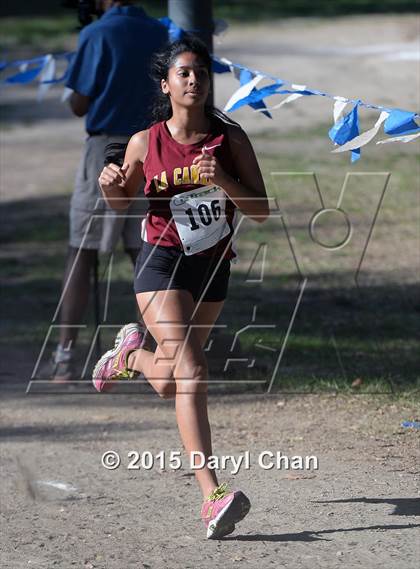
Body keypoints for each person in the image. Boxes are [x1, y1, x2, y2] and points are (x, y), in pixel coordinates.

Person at [92, 37, 269, 539]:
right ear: (166, 83)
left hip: (211, 269)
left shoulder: (229, 139)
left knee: (171, 381)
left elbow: (259, 210)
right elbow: (122, 203)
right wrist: (110, 185)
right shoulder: (145, 142)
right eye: (184, 73)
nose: (194, 80)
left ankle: (129, 357)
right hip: (161, 263)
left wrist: (226, 182)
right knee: (192, 369)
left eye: (201, 73)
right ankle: (212, 495)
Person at [48, 1, 168, 381]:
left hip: (105, 150)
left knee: (81, 251)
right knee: (147, 253)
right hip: (150, 147)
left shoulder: (95, 34)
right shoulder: (158, 32)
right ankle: (150, 350)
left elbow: (79, 103)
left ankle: (65, 355)